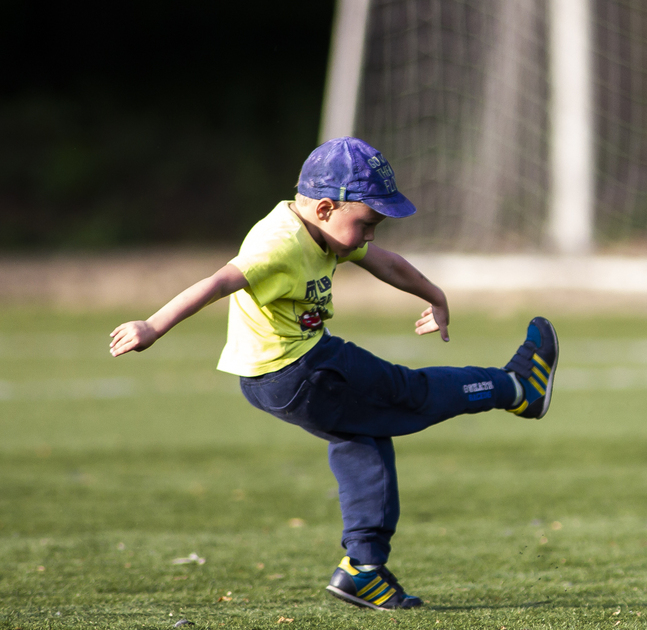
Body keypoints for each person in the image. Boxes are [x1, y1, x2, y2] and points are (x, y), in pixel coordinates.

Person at [108, 136, 559, 611]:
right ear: (325, 207)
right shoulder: (279, 243)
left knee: (361, 438)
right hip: (303, 370)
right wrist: (152, 325)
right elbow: (219, 281)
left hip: (273, 379)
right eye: (366, 223)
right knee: (412, 393)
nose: (369, 236)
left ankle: (363, 571)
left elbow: (384, 262)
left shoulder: (321, 227)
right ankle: (517, 388)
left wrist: (434, 295)